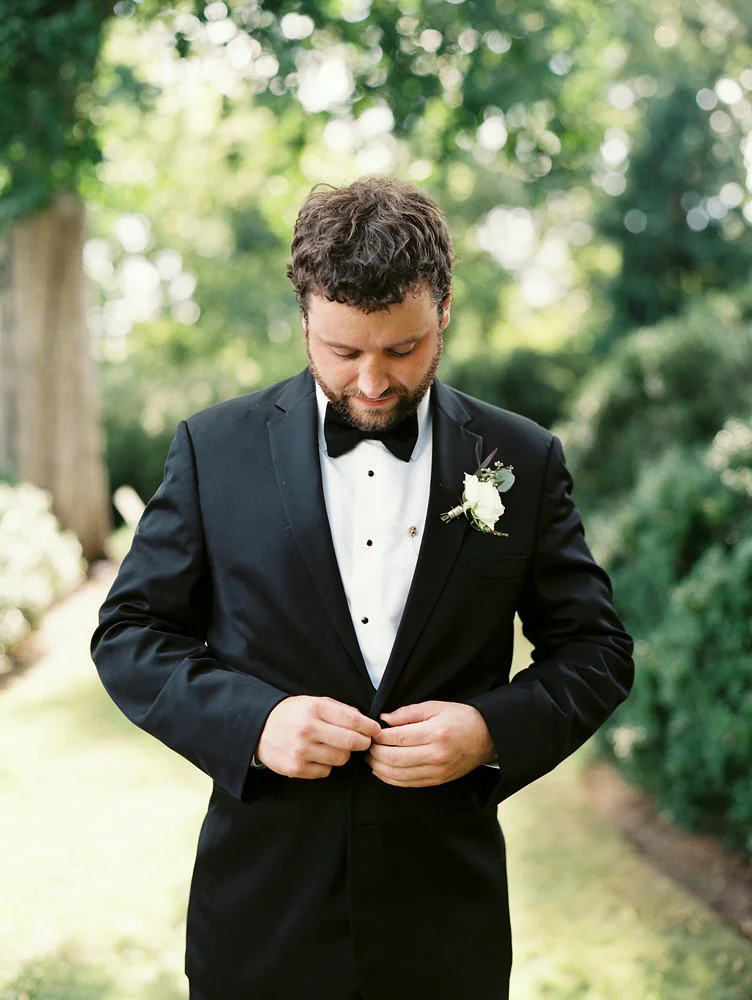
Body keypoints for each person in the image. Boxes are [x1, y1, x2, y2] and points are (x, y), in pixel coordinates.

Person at [90, 176, 634, 1000]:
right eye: (343, 351)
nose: (373, 383)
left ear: (444, 310)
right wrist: (255, 721)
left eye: (402, 348)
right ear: (304, 316)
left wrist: (490, 731)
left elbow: (597, 650)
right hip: (260, 921)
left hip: (447, 926)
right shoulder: (213, 449)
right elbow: (129, 633)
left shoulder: (522, 458)